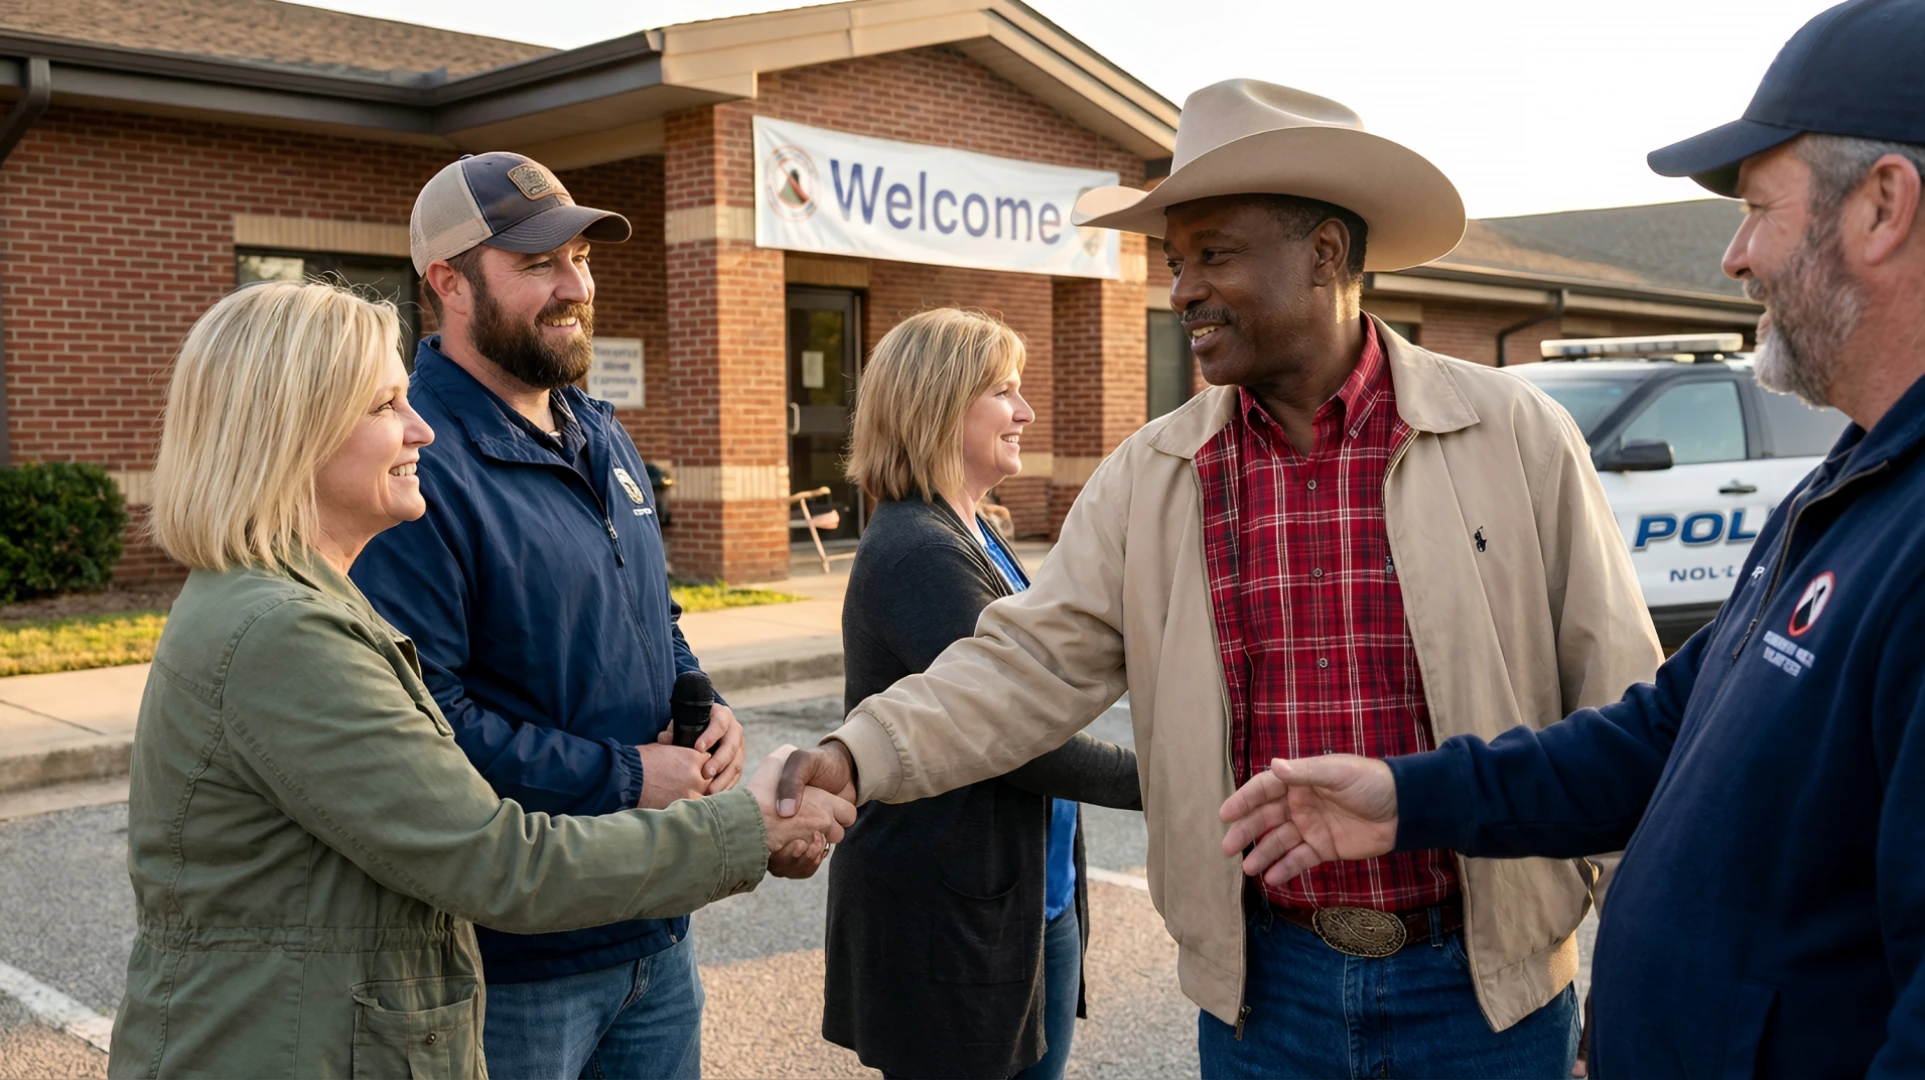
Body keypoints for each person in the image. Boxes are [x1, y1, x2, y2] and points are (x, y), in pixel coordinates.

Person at [777, 79, 1659, 1079]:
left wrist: (1639, 981)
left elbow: (1623, 715)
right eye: (1173, 260)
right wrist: (856, 754)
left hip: (1485, 999)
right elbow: (1022, 666)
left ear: (1323, 253)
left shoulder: (1513, 437)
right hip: (1260, 1002)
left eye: (1213, 253)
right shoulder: (1149, 476)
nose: (1180, 290)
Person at [1217, 2, 1925, 1076]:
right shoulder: (1851, 482)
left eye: (1754, 209)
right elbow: (1656, 736)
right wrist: (1407, 797)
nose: (1734, 259)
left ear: (1881, 205)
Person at [108, 281, 852, 1078]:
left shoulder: (292, 600)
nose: (420, 426)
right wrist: (743, 826)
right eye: (385, 405)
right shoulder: (285, 632)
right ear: (293, 433)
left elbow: (651, 617)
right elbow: (498, 863)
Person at [350, 152, 817, 1079]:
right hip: (518, 969)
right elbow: (425, 722)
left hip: (655, 934)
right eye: (538, 265)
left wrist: (698, 696)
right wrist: (626, 777)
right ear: (448, 283)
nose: (576, 287)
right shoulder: (415, 466)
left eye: (580, 259)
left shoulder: (599, 431)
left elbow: (653, 614)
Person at [823, 308, 1142, 1080]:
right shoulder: (919, 551)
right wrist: (1174, 778)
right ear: (939, 405)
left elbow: (1043, 670)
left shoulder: (973, 528)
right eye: (1005, 392)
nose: (1026, 412)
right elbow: (1016, 734)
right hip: (949, 911)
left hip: (1025, 895)